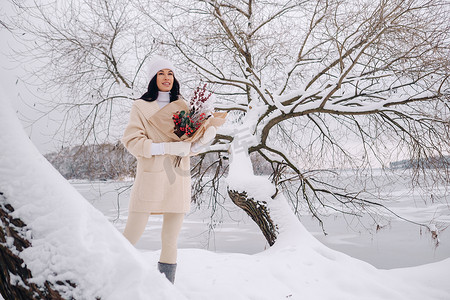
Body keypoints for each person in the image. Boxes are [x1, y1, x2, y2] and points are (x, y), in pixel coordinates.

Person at [121, 56, 216, 283]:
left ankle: (166, 290)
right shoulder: (141, 106)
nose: (166, 77)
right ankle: (108, 278)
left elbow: (187, 147)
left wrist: (202, 142)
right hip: (151, 177)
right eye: (161, 73)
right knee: (129, 237)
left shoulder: (184, 107)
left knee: (170, 240)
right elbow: (132, 141)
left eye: (170, 73)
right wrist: (166, 146)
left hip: (177, 178)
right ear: (154, 78)